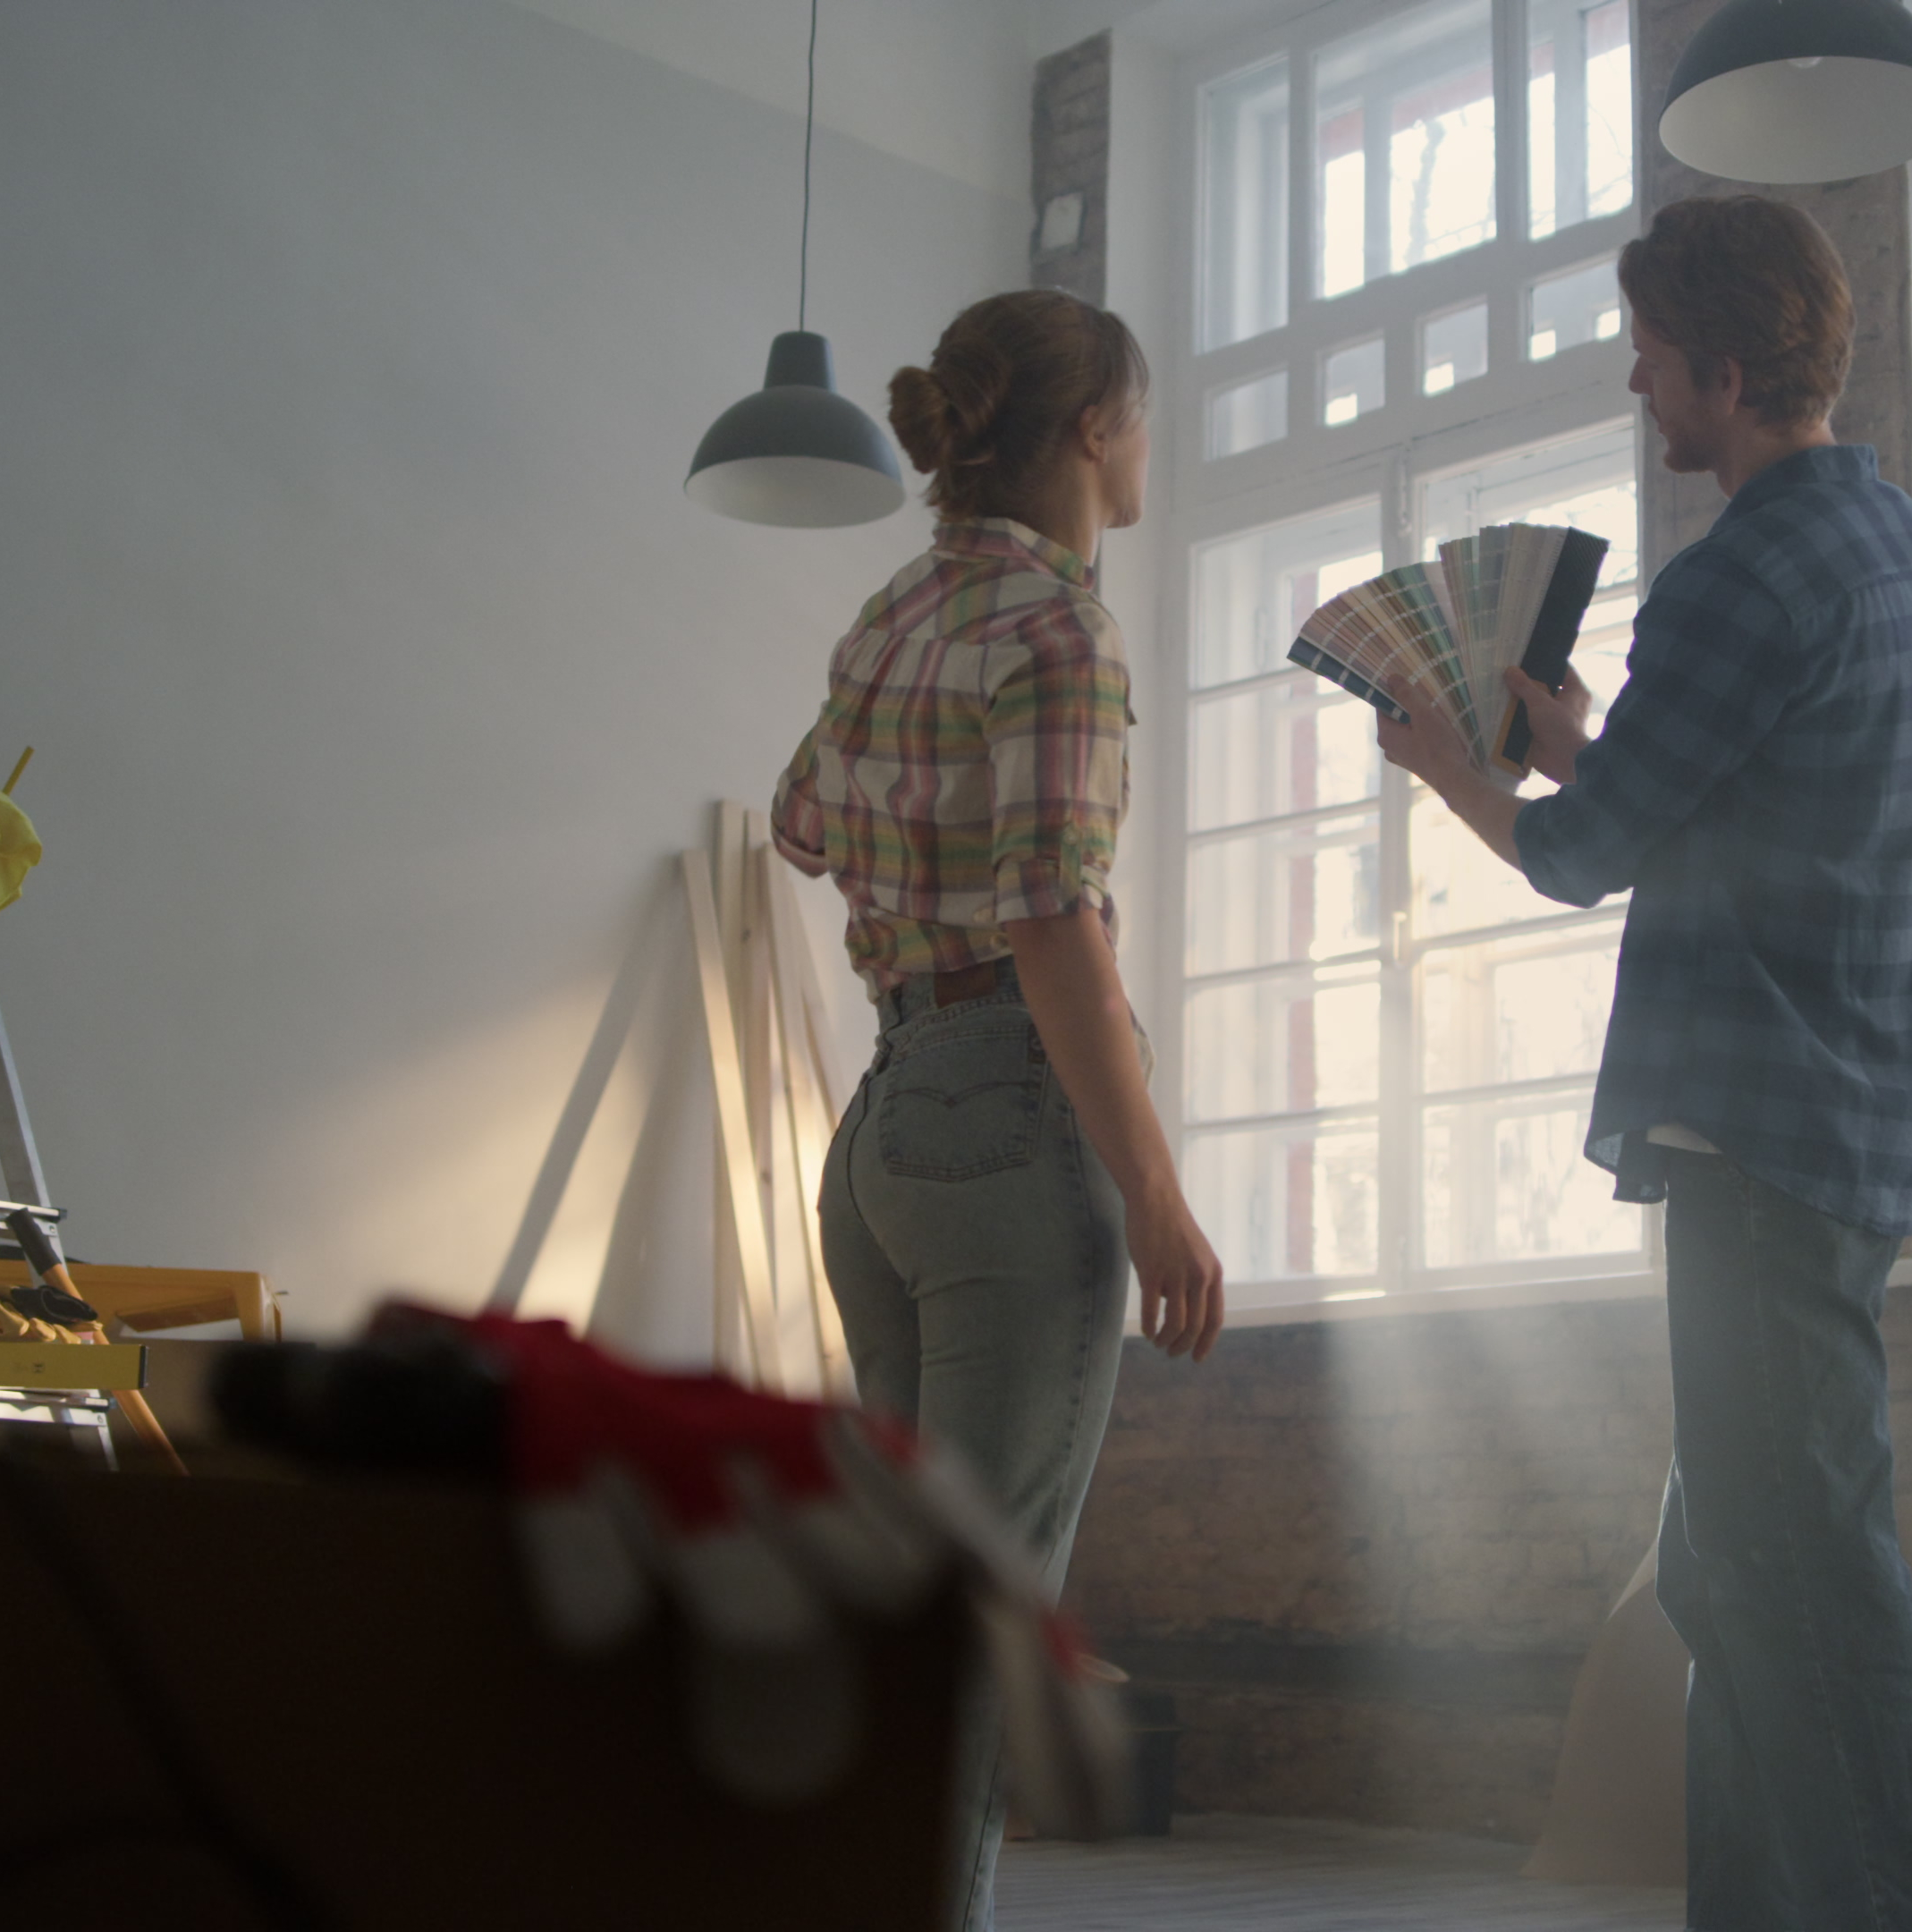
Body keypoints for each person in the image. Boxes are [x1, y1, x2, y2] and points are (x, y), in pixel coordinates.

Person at [1374, 197, 1912, 1932]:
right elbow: (1755, 805)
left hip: (1756, 1135)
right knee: (1734, 1565)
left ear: (1725, 365)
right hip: (1861, 1126)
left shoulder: (1741, 574)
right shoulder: (1908, 554)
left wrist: (1451, 766)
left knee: (1800, 1581)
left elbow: (1586, 860)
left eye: (1650, 347)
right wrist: (1589, 742)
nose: (1636, 376)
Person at [771, 286, 1223, 1929]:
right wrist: (1156, 1189)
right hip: (1004, 1135)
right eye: (1145, 418)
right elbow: (1054, 926)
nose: (1148, 446)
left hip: (886, 1134)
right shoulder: (1057, 627)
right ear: (1098, 430)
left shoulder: (893, 610)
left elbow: (800, 823)